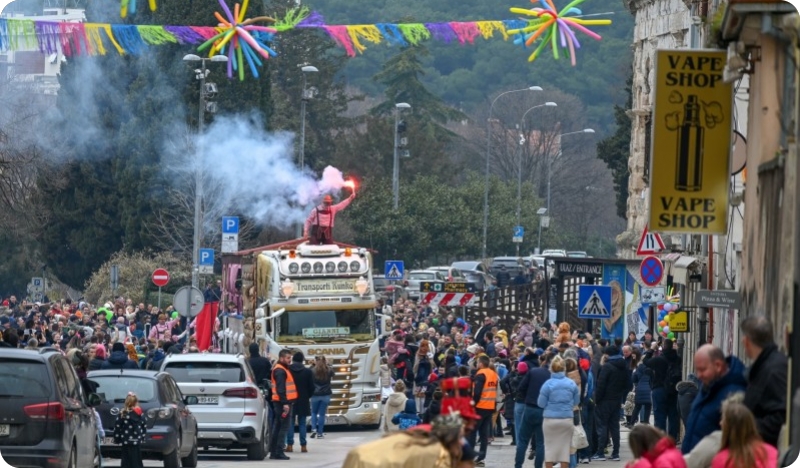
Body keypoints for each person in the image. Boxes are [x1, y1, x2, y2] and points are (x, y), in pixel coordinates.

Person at [681, 345, 747, 454]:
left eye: (702, 369)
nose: (698, 375)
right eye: (697, 370)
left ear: (718, 365)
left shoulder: (734, 394)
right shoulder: (709, 386)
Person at [739, 315, 787, 447]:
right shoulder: (765, 366)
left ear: (747, 341)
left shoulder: (774, 370)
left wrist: (744, 426)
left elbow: (781, 418)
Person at [538, 356, 580, 468]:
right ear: (564, 369)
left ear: (551, 369)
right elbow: (576, 401)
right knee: (565, 451)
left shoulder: (547, 384)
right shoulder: (571, 383)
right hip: (566, 419)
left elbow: (541, 403)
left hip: (550, 420)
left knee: (549, 449)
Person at [711, 399, 777, 468]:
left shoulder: (722, 460)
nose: (720, 423)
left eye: (723, 420)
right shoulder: (772, 452)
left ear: (728, 427)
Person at [592, 345, 628, 462]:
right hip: (616, 400)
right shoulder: (624, 366)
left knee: (602, 426)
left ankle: (600, 452)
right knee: (614, 427)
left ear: (607, 355)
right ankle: (616, 452)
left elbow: (601, 385)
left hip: (605, 401)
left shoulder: (607, 367)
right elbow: (628, 384)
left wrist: (597, 400)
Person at [515, 355, 551, 468]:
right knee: (541, 442)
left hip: (530, 407)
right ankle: (538, 466)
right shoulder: (552, 376)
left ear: (544, 361)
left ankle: (518, 465)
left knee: (523, 440)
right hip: (544, 410)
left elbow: (521, 388)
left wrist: (528, 397)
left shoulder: (533, 371)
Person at [644, 339, 681, 440]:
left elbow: (645, 361)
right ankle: (672, 440)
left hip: (659, 389)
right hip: (673, 390)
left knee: (660, 417)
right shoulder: (677, 358)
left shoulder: (659, 359)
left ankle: (661, 440)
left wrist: (652, 349)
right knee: (673, 416)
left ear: (663, 347)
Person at [469, 355, 499, 467]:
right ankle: (481, 458)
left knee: (472, 433)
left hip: (480, 406)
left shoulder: (481, 374)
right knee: (483, 434)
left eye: (477, 362)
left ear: (481, 363)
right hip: (490, 407)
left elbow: (477, 392)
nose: (476, 364)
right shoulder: (493, 374)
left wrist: (473, 404)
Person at [269, 349, 298, 460]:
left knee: (278, 426)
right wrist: (285, 403)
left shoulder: (281, 369)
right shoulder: (280, 371)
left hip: (279, 402)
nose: (289, 360)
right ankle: (279, 451)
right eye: (287, 358)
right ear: (281, 358)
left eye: (290, 358)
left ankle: (274, 451)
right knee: (284, 427)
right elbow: (281, 389)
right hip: (282, 403)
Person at [286, 351, 315, 453]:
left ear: (293, 359)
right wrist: (307, 396)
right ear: (302, 360)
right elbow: (312, 387)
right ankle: (303, 446)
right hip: (303, 400)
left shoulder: (288, 370)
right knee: (302, 423)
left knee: (290, 423)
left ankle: (289, 445)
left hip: (291, 399)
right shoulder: (307, 372)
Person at [113, 392, 146, 468]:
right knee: (137, 459)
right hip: (136, 441)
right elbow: (144, 426)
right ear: (136, 402)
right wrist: (142, 437)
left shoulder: (123, 413)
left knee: (126, 460)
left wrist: (117, 439)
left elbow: (117, 426)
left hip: (126, 440)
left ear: (126, 402)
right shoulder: (140, 414)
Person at [310, 356, 334, 439]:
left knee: (313, 413)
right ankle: (320, 433)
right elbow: (333, 373)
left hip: (315, 394)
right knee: (322, 414)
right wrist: (329, 364)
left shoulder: (312, 370)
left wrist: (312, 365)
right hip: (326, 395)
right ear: (325, 361)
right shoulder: (329, 370)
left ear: (316, 361)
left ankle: (313, 428)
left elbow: (309, 375)